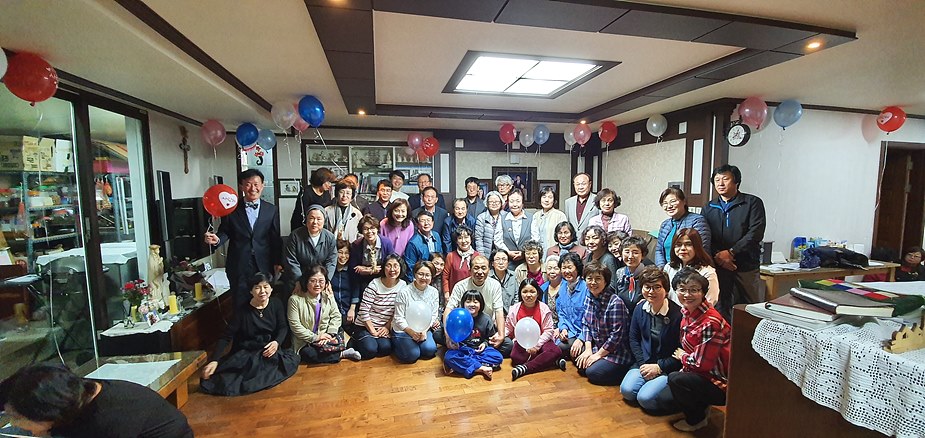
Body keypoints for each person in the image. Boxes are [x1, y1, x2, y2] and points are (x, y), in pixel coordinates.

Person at [0, 363, 193, 437]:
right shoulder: (75, 392)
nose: (13, 422)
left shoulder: (108, 421)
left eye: (16, 417)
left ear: (47, 413)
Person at [201, 273, 300, 396]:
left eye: (266, 287)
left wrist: (276, 342)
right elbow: (226, 336)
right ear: (251, 291)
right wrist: (214, 360)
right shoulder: (242, 310)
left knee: (283, 364)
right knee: (230, 379)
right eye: (257, 287)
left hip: (269, 349)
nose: (262, 291)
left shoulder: (276, 303)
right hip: (248, 351)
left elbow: (283, 327)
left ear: (271, 288)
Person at [204, 169, 281, 305]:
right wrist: (217, 240)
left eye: (256, 184)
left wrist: (278, 262)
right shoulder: (231, 208)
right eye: (248, 184)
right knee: (240, 302)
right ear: (241, 187)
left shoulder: (271, 209)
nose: (253, 189)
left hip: (264, 263)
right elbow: (225, 231)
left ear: (262, 185)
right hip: (239, 263)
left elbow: (275, 238)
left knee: (263, 301)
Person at [668, 268, 731, 432]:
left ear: (703, 292)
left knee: (675, 380)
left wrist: (683, 356)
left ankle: (696, 420)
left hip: (720, 381)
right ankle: (702, 406)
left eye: (694, 290)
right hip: (704, 372)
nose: (687, 294)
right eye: (682, 289)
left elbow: (702, 364)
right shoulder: (687, 312)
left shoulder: (710, 322)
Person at [703, 164, 766, 319]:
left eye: (725, 179)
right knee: (721, 305)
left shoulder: (752, 203)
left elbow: (755, 233)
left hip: (746, 264)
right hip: (719, 265)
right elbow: (705, 235)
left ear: (736, 181)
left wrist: (731, 252)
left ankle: (749, 335)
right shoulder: (709, 207)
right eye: (717, 180)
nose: (720, 183)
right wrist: (719, 256)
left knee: (750, 307)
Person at [620, 267, 682, 414]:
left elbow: (680, 350)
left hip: (667, 366)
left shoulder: (678, 315)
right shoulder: (640, 308)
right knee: (627, 391)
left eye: (657, 287)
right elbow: (633, 339)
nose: (651, 291)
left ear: (666, 290)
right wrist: (643, 364)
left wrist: (659, 367)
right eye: (647, 287)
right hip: (645, 361)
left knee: (645, 399)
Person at [574, 261, 632, 386]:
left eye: (598, 279)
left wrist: (597, 355)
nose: (593, 282)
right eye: (589, 278)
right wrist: (588, 350)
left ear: (605, 282)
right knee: (577, 358)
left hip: (616, 352)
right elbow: (586, 324)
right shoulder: (589, 297)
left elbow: (616, 336)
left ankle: (623, 373)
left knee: (592, 373)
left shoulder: (615, 302)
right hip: (598, 345)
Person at [288, 266, 362, 364]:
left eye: (321, 281)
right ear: (306, 281)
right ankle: (341, 354)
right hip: (306, 340)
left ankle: (334, 352)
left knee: (354, 343)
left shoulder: (327, 296)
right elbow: (295, 326)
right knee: (309, 354)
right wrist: (316, 337)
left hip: (326, 335)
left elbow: (336, 316)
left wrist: (330, 334)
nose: (317, 284)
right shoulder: (295, 300)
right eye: (313, 281)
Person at [444, 255, 512, 356]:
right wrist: (447, 337)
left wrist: (501, 335)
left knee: (508, 344)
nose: (480, 272)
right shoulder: (460, 286)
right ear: (470, 270)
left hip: (485, 327)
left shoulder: (495, 285)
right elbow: (448, 310)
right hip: (463, 327)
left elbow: (499, 311)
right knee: (438, 334)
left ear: (489, 269)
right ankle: (477, 351)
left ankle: (467, 351)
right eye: (476, 268)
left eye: (483, 268)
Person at [506, 279, 566, 381]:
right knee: (515, 357)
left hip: (542, 340)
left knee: (556, 351)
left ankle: (525, 368)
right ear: (520, 293)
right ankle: (551, 361)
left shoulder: (544, 308)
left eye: (532, 291)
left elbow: (548, 330)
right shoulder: (514, 309)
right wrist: (499, 335)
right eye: (525, 292)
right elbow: (508, 328)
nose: (528, 295)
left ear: (537, 293)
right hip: (522, 342)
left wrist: (537, 345)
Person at [354, 254, 407, 359]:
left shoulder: (403, 285)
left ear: (401, 268)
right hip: (365, 325)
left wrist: (387, 327)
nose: (392, 269)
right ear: (383, 268)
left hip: (382, 326)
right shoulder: (374, 284)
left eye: (396, 266)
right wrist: (373, 331)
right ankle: (354, 339)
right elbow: (363, 311)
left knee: (385, 348)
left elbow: (398, 311)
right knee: (370, 350)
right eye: (388, 265)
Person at [442, 290, 503, 380]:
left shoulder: (486, 319)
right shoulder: (458, 317)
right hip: (462, 350)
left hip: (479, 351)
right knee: (449, 357)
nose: (472, 304)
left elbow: (489, 338)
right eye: (468, 301)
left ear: (481, 304)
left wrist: (484, 344)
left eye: (475, 302)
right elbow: (453, 335)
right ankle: (481, 368)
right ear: (463, 303)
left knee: (498, 357)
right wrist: (453, 342)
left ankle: (468, 365)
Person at [284, 204, 337, 299]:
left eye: (319, 219)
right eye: (311, 218)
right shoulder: (295, 236)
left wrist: (326, 280)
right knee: (298, 301)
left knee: (321, 303)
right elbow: (291, 261)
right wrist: (299, 281)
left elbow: (331, 261)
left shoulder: (330, 237)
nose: (315, 222)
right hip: (299, 279)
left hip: (320, 281)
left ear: (324, 220)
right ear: (306, 220)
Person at [391, 261, 440, 364]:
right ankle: (396, 344)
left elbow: (433, 314)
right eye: (420, 274)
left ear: (432, 277)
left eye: (427, 275)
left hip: (423, 329)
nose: (424, 278)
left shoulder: (434, 292)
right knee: (412, 355)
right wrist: (411, 332)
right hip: (404, 329)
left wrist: (425, 330)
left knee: (429, 350)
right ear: (415, 274)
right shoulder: (404, 292)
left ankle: (414, 344)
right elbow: (398, 318)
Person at [656, 187, 711, 268]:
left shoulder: (697, 221)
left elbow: (701, 249)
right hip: (668, 270)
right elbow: (659, 250)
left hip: (691, 270)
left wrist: (682, 271)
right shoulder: (665, 224)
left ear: (684, 201)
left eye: (673, 201)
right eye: (665, 203)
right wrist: (662, 269)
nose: (669, 206)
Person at [663, 228, 720, 306]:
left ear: (697, 247)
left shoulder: (707, 272)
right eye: (678, 245)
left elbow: (710, 301)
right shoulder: (669, 267)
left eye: (688, 244)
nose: (683, 248)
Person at [350, 214, 395, 309]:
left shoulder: (386, 243)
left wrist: (367, 270)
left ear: (377, 229)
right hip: (363, 282)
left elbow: (391, 265)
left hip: (383, 279)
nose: (369, 232)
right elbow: (353, 269)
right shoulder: (356, 245)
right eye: (365, 229)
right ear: (361, 231)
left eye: (372, 228)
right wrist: (373, 269)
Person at [555, 252, 589, 360]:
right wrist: (563, 328)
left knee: (578, 358)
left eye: (570, 267)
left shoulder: (586, 288)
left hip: (584, 335)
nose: (566, 271)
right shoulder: (563, 286)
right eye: (563, 268)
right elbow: (561, 312)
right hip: (569, 333)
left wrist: (581, 338)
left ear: (577, 268)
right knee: (553, 347)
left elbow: (591, 319)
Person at [291, 167, 336, 231]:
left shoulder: (326, 193)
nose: (330, 185)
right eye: (328, 182)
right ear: (321, 180)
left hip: (320, 225)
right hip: (302, 225)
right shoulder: (306, 192)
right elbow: (302, 214)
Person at [404, 210, 445, 280]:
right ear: (417, 224)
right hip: (421, 278)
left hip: (435, 277)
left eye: (428, 220)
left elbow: (440, 256)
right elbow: (410, 267)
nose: (426, 223)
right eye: (423, 221)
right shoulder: (413, 243)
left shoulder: (436, 235)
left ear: (433, 223)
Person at [613, 236, 649, 315]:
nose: (630, 256)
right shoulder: (619, 273)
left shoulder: (648, 275)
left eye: (635, 253)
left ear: (643, 255)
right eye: (627, 252)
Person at [494, 188, 532, 263]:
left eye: (518, 201)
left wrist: (524, 253)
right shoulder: (502, 218)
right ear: (508, 203)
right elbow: (498, 240)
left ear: (522, 203)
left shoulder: (531, 218)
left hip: (527, 261)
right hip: (507, 261)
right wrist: (508, 252)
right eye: (511, 201)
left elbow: (535, 239)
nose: (515, 204)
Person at [443, 225, 478, 304]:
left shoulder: (477, 256)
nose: (463, 241)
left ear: (471, 239)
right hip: (455, 295)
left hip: (473, 297)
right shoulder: (451, 256)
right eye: (460, 238)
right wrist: (446, 292)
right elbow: (445, 276)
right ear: (456, 241)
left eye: (466, 237)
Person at [531, 186, 568, 255]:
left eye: (550, 197)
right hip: (538, 254)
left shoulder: (560, 215)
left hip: (555, 254)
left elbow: (565, 236)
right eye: (544, 197)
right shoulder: (536, 216)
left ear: (554, 200)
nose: (546, 200)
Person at [331, 239, 355, 333]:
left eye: (346, 253)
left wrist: (352, 309)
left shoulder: (352, 272)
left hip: (350, 312)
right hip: (333, 313)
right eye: (340, 252)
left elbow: (356, 291)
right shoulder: (329, 271)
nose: (343, 256)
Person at [489, 249, 519, 314]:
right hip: (493, 315)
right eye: (497, 259)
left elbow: (517, 297)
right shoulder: (488, 277)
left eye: (504, 259)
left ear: (508, 262)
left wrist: (512, 314)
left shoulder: (514, 276)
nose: (501, 262)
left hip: (511, 314)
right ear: (492, 263)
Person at [474, 190, 504, 254]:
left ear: (501, 203)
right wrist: (482, 256)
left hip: (503, 252)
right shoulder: (481, 217)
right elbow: (478, 239)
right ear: (487, 203)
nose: (494, 203)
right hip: (486, 253)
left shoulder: (506, 216)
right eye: (491, 201)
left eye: (497, 201)